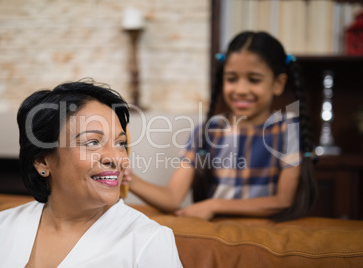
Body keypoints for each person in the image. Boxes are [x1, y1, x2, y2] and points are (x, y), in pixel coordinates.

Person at [0, 80, 183, 267]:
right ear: (42, 161)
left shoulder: (149, 241)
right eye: (93, 142)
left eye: (120, 143)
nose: (116, 158)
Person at [124, 31, 317, 222]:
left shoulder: (288, 130)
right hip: (219, 235)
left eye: (254, 79)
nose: (241, 90)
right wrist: (125, 177)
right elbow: (173, 197)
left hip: (264, 237)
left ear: (278, 83)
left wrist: (214, 204)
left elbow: (283, 201)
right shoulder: (206, 133)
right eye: (232, 79)